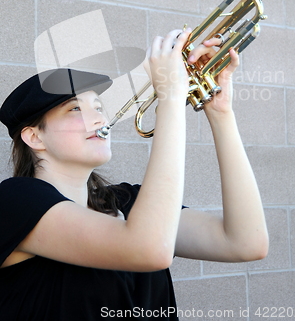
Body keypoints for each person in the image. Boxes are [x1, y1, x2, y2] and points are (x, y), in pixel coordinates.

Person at [0, 29, 269, 320]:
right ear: (34, 137)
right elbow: (149, 249)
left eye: (99, 107)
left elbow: (246, 242)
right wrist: (170, 97)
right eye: (75, 108)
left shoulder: (128, 202)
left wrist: (220, 112)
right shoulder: (15, 200)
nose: (100, 118)